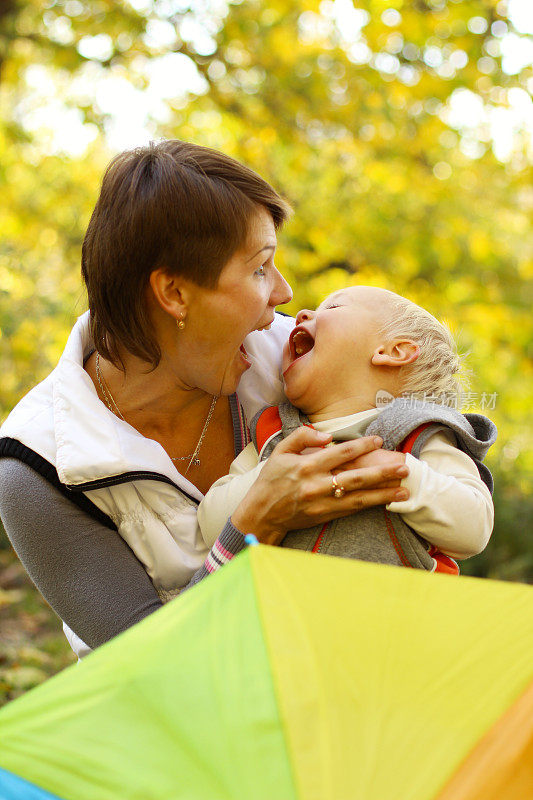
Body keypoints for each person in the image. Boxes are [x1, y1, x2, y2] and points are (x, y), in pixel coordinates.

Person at [0, 141, 410, 659]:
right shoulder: (40, 467)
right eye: (260, 268)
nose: (283, 293)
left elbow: (436, 426)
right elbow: (147, 669)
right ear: (174, 294)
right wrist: (252, 526)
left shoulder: (293, 358)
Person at [198, 286, 496, 571]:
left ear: (394, 351)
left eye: (334, 306)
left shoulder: (417, 435)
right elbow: (211, 525)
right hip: (286, 615)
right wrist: (273, 478)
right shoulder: (274, 434)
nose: (301, 314)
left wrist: (402, 475)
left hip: (387, 616)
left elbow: (476, 526)